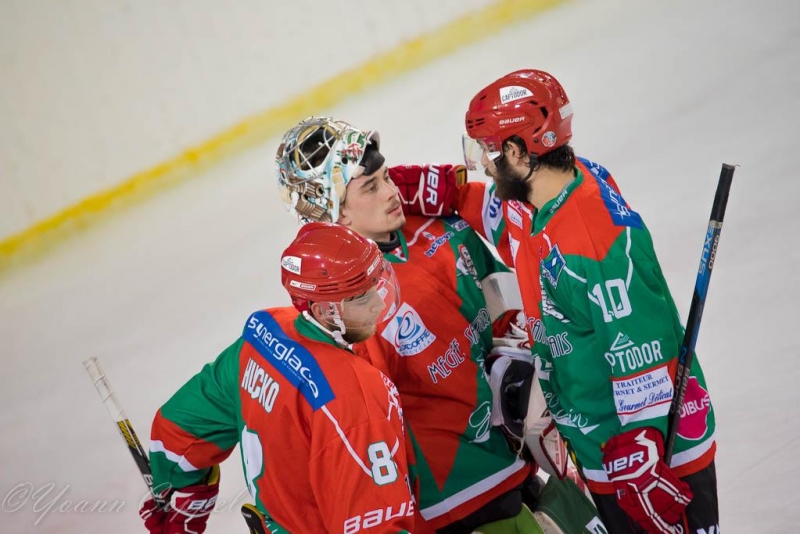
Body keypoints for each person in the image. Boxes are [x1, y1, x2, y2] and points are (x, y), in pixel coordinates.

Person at [405, 69, 720, 534]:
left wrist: (642, 451)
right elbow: (487, 210)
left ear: (516, 151)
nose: (483, 166)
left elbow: (644, 351)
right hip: (597, 442)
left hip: (649, 456)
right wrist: (396, 185)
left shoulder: (594, 241)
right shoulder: (536, 196)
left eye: (488, 153)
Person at [276, 117, 602, 534]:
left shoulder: (441, 226)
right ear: (330, 212)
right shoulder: (346, 304)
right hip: (453, 496)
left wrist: (520, 363)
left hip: (519, 461)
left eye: (387, 176)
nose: (394, 192)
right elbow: (360, 416)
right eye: (371, 187)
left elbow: (508, 298)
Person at [139, 222, 416, 533]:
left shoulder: (265, 335)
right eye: (363, 297)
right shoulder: (356, 397)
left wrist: (182, 493)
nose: (379, 304)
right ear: (326, 310)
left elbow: (179, 432)